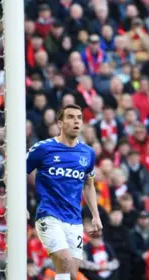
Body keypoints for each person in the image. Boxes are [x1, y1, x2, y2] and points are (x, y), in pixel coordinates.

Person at [27, 104, 104, 280]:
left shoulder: (87, 153)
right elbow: (16, 172)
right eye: (70, 117)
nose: (76, 121)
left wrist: (95, 215)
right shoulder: (43, 148)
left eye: (79, 117)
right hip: (49, 215)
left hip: (74, 219)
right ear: (60, 123)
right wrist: (18, 203)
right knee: (66, 264)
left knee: (69, 274)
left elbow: (88, 185)